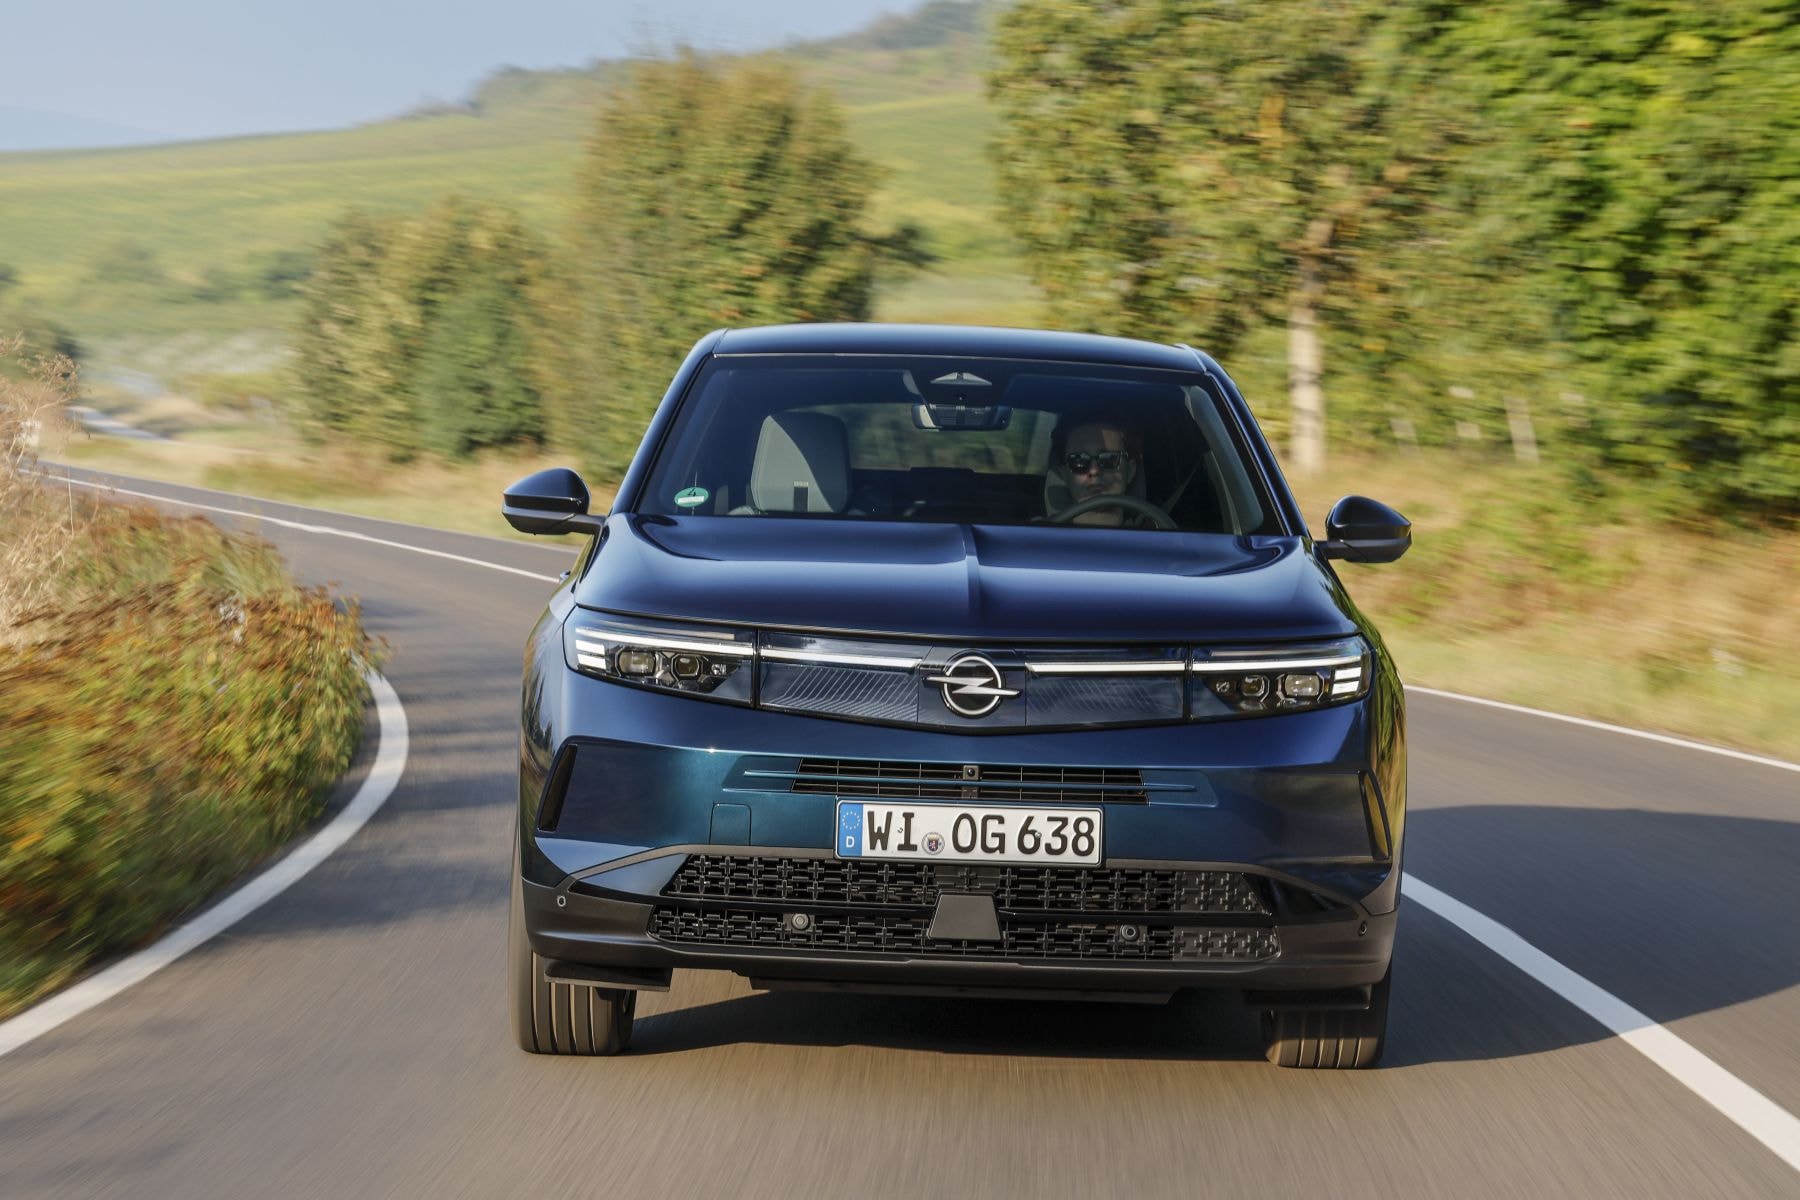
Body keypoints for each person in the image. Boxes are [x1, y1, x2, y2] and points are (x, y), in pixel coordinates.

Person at [1046, 418, 1144, 526]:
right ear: (1064, 474)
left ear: (1130, 471)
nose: (1094, 471)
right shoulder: (1037, 533)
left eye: (1108, 459)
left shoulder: (1156, 532)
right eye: (1079, 461)